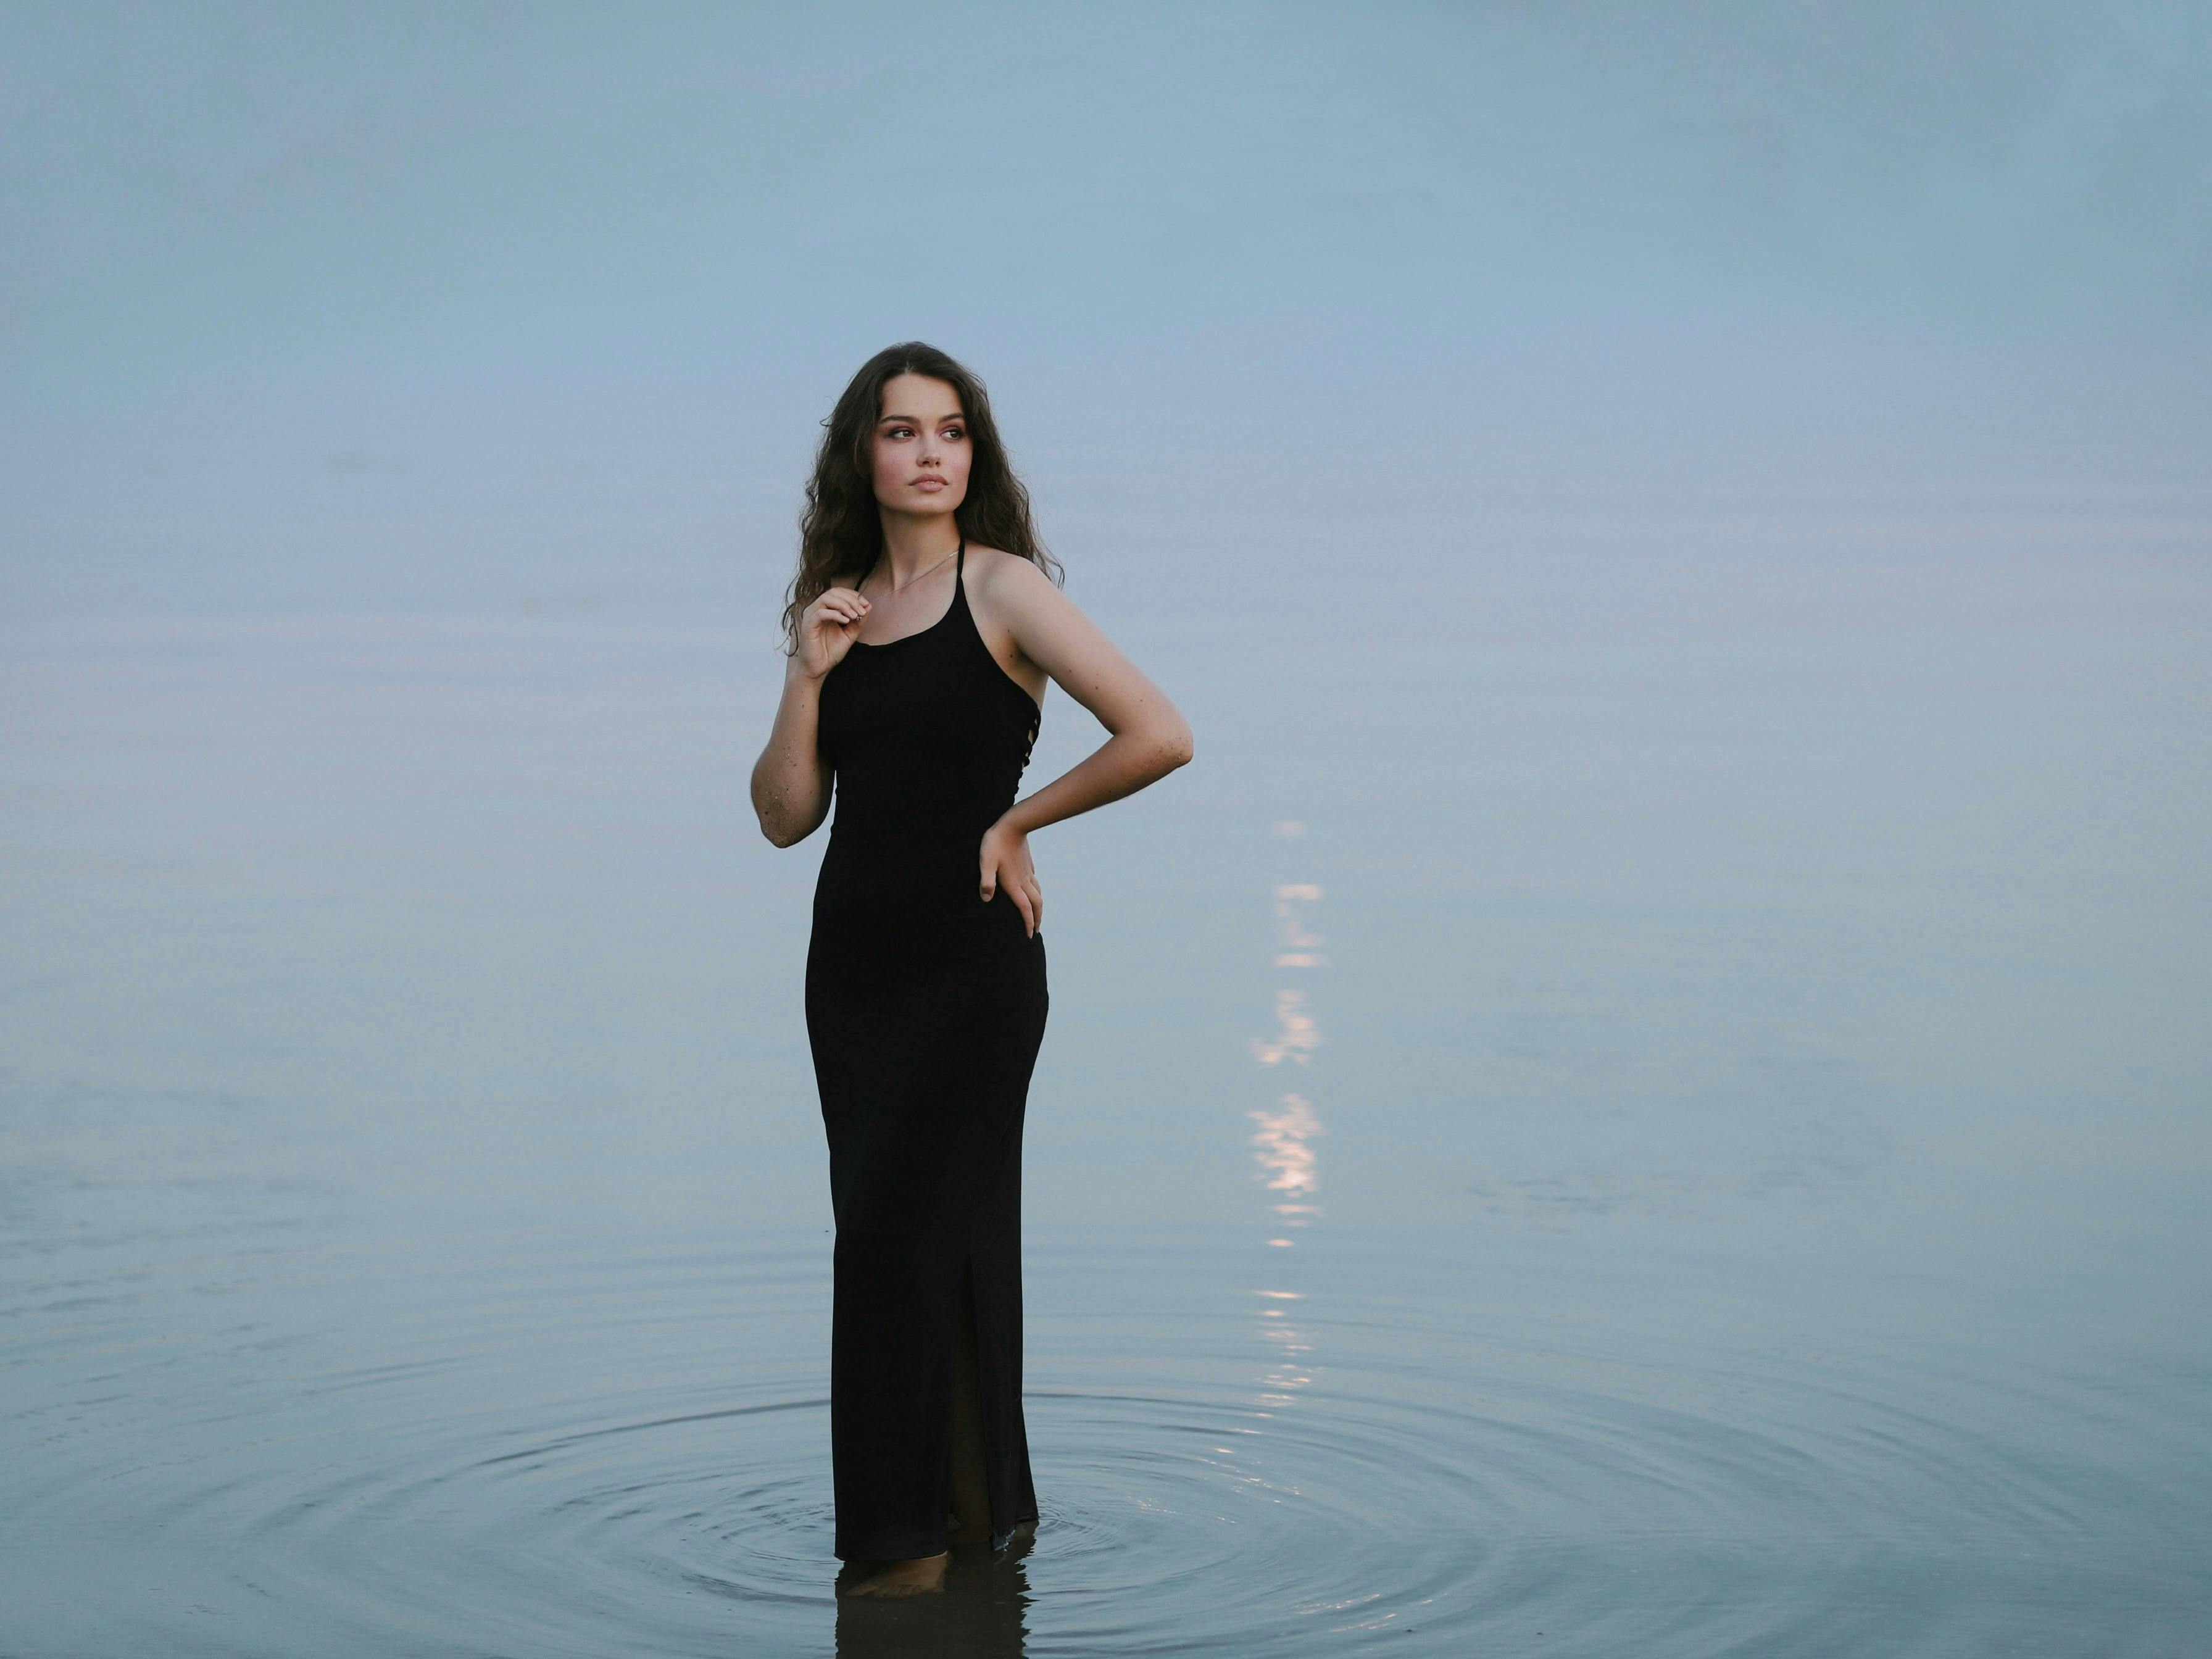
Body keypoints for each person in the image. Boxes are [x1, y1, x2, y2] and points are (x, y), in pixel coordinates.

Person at [749, 343, 1194, 1598]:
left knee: (892, 1247)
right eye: (903, 432)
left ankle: (895, 1552)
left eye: (952, 432)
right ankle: (979, 1523)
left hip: (970, 969)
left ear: (973, 457)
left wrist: (1017, 823)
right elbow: (785, 817)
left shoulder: (1001, 590)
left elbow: (1160, 733)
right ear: (864, 454)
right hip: (850, 975)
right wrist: (805, 674)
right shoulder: (837, 606)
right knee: (909, 1241)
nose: (931, 453)